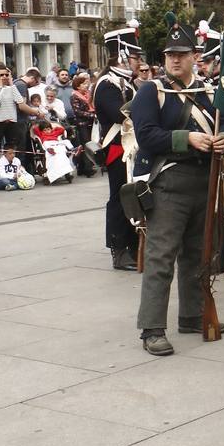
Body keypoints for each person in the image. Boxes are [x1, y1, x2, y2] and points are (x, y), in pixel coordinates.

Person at [130, 16, 224, 356]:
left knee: (199, 253)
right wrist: (186, 138)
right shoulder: (152, 91)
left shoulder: (209, 90)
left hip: (205, 179)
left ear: (195, 57)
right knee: (161, 257)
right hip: (169, 182)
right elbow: (146, 135)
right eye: (170, 55)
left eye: (181, 54)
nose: (175, 60)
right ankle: (152, 329)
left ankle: (192, 315)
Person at [93, 22, 143, 271]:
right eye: (135, 57)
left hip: (133, 148)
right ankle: (119, 249)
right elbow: (119, 114)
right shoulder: (107, 84)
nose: (139, 62)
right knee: (119, 198)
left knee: (134, 197)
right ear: (122, 56)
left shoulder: (127, 83)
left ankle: (133, 245)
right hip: (118, 149)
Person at [0, 66, 40, 174]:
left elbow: (20, 101)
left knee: (13, 149)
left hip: (11, 122)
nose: (4, 77)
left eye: (6, 75)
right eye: (1, 75)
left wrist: (11, 84)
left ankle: (14, 172)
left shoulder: (11, 87)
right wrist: (0, 86)